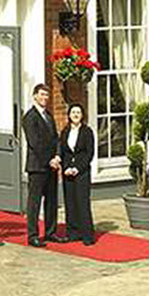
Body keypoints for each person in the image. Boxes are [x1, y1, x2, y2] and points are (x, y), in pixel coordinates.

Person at [22, 83, 63, 246]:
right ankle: (32, 236)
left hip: (52, 166)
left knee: (52, 201)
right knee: (34, 202)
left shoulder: (49, 115)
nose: (44, 98)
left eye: (47, 95)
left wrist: (58, 156)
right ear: (35, 96)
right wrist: (49, 160)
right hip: (37, 166)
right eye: (41, 95)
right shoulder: (29, 117)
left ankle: (50, 232)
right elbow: (35, 143)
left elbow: (55, 138)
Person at [58, 102, 96, 245]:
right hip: (67, 172)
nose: (75, 115)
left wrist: (77, 168)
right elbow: (62, 151)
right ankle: (72, 233)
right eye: (73, 112)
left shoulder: (87, 132)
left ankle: (87, 235)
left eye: (78, 113)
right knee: (70, 203)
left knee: (82, 202)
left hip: (82, 173)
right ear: (69, 115)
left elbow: (89, 153)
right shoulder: (65, 132)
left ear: (82, 116)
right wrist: (66, 167)